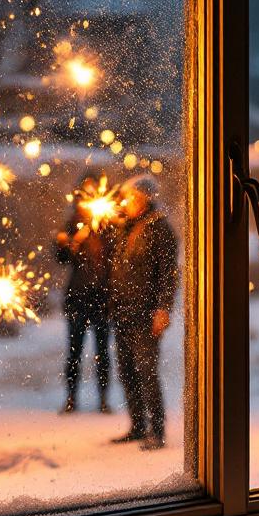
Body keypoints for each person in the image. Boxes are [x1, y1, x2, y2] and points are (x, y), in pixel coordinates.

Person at [107, 174, 178, 450]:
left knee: (147, 371)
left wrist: (163, 308)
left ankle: (157, 431)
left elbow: (168, 274)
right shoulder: (127, 226)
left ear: (145, 198)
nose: (127, 202)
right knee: (126, 371)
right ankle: (137, 426)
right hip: (123, 311)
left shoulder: (160, 229)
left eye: (132, 198)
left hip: (146, 314)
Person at [54, 172, 115, 414]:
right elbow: (61, 259)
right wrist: (66, 244)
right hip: (77, 298)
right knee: (74, 352)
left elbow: (116, 259)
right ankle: (71, 397)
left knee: (102, 353)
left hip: (102, 298)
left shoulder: (109, 226)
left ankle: (103, 399)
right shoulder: (72, 224)